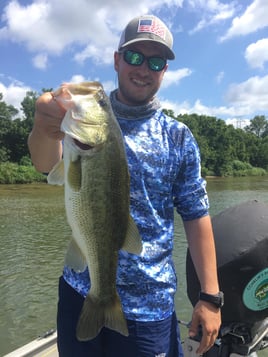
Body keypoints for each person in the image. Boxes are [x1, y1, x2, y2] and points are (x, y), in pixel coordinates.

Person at [28, 14, 222, 357]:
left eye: (156, 61)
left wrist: (209, 296)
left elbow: (196, 214)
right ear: (117, 60)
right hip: (79, 290)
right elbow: (46, 164)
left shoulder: (178, 137)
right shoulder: (77, 126)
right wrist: (45, 128)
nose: (143, 68)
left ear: (164, 71)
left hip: (150, 307)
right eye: (134, 56)